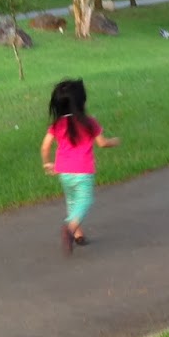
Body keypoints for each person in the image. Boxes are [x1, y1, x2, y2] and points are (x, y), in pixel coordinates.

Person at [40, 78, 121, 256]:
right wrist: (114, 141)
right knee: (85, 201)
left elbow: (45, 147)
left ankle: (78, 234)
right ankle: (70, 228)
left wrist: (47, 163)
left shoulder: (57, 125)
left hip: (64, 172)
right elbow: (102, 143)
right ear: (81, 102)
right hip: (83, 171)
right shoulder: (89, 122)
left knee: (72, 201)